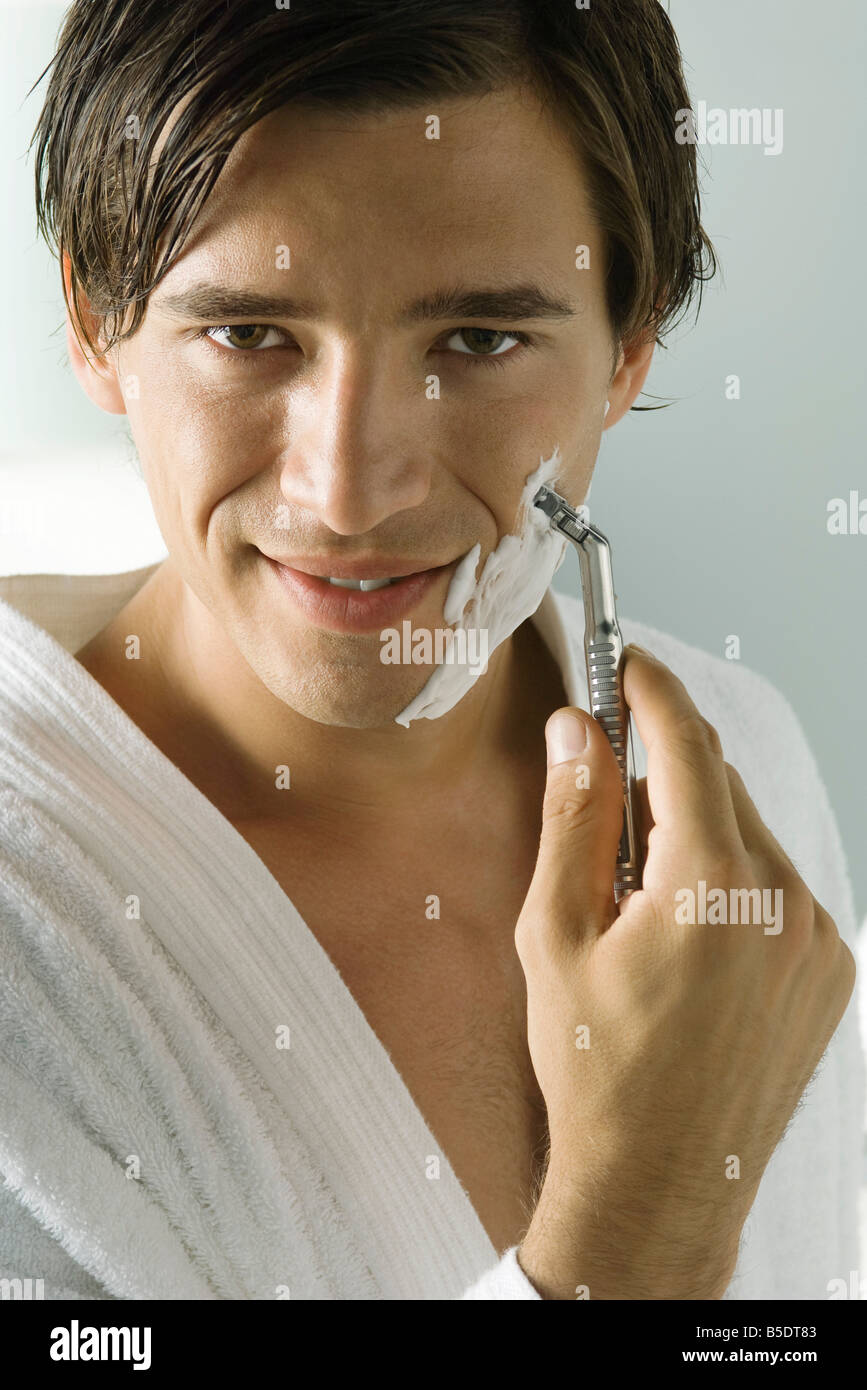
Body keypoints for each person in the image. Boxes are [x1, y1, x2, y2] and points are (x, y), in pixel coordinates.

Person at [0, 0, 860, 1300]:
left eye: (479, 339)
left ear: (630, 343)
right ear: (91, 316)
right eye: (248, 334)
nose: (348, 491)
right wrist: (638, 1234)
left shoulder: (748, 783)